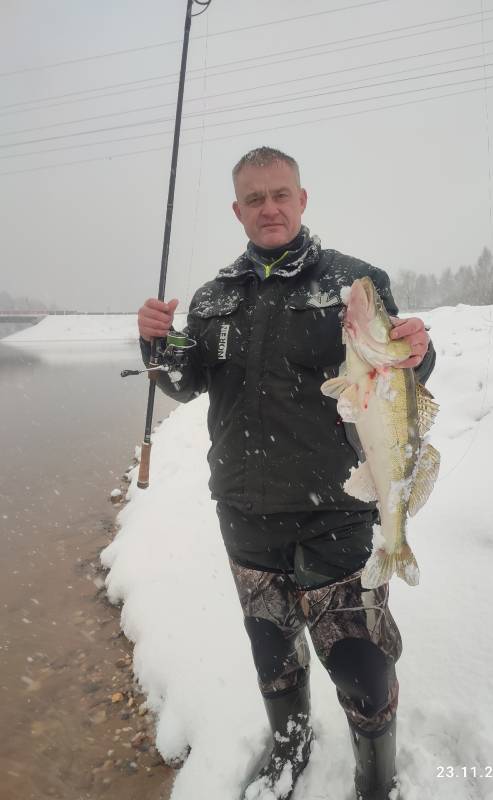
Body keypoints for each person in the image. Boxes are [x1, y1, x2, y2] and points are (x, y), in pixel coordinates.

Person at [138, 147, 435, 800]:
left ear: (302, 200)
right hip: (245, 519)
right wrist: (160, 345)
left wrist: (420, 349)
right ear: (237, 210)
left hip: (338, 514)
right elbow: (187, 379)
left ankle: (376, 778)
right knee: (273, 657)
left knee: (361, 667)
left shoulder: (355, 283)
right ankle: (290, 744)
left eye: (280, 194)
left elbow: (396, 376)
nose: (268, 208)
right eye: (254, 198)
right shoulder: (215, 298)